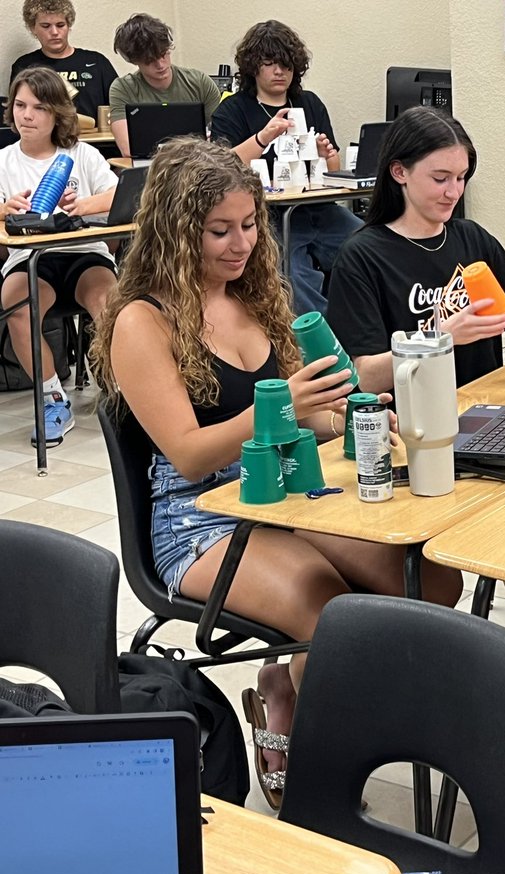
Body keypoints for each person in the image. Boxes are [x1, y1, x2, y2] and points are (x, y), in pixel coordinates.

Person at [89, 137, 463, 808]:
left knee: (434, 579)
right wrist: (279, 406)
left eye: (250, 225)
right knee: (329, 614)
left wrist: (354, 415)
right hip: (198, 517)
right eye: (220, 231)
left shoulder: (254, 296)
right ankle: (324, 787)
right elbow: (189, 454)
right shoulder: (143, 320)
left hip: (285, 491)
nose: (242, 244)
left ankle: (285, 684)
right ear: (176, 231)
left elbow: (308, 414)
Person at [325, 106, 505, 723]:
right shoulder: (363, 256)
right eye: (440, 178)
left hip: (484, 416)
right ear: (399, 173)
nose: (453, 192)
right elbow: (359, 373)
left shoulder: (470, 240)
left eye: (461, 178)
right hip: (412, 430)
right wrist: (440, 335)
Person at [211, 20, 361, 314]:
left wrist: (325, 154)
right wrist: (262, 138)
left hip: (318, 209)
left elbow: (333, 169)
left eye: (286, 64)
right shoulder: (232, 110)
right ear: (253, 67)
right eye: (269, 64)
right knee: (293, 275)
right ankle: (318, 334)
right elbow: (221, 169)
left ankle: (359, 321)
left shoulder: (309, 103)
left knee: (368, 244)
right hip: (268, 215)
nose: (279, 71)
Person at [0, 67, 116, 446]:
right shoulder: (4, 161)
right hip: (31, 259)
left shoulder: (82, 154)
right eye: (20, 105)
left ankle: (123, 390)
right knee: (17, 305)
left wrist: (81, 206)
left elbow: (120, 195)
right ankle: (52, 399)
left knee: (110, 302)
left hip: (84, 255)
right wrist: (6, 210)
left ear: (58, 113)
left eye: (39, 108)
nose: (26, 115)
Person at [108, 14, 221, 158]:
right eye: (149, 60)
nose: (160, 65)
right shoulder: (122, 88)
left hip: (196, 163)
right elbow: (127, 149)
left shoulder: (199, 82)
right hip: (150, 164)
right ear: (134, 61)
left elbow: (220, 139)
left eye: (163, 54)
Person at [9, 0, 118, 123]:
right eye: (46, 26)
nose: (55, 32)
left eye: (60, 25)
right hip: (45, 135)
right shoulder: (25, 66)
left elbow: (119, 110)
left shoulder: (96, 62)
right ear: (33, 28)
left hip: (94, 135)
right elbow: (18, 114)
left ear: (68, 26)